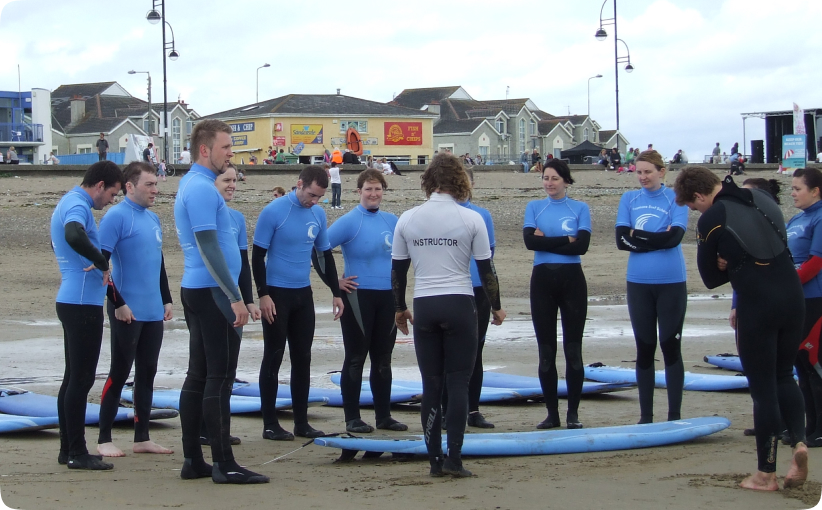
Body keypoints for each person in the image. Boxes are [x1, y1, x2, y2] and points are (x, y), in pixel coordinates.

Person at [673, 166, 808, 491]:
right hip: (793, 297)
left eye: (693, 207)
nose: (695, 212)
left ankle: (766, 474)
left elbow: (710, 278)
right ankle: (800, 445)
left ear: (700, 196)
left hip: (757, 305)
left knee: (763, 390)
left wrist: (727, 261)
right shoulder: (760, 196)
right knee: (784, 375)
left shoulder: (712, 218)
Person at [392, 152, 506, 478]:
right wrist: (496, 306)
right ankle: (454, 458)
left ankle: (434, 463)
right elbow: (488, 271)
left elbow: (397, 272)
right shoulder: (472, 219)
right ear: (460, 180)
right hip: (459, 304)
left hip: (425, 306)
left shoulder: (408, 218)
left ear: (428, 181)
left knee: (431, 385)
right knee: (458, 383)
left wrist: (400, 309)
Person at [174, 119, 268, 484]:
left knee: (200, 374)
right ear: (204, 149)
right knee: (219, 376)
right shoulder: (200, 189)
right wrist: (236, 297)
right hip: (211, 292)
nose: (231, 153)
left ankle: (194, 460)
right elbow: (208, 246)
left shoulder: (196, 185)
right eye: (226, 147)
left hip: (202, 289)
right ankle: (223, 463)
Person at [252, 165, 344, 440]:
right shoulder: (274, 211)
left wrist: (336, 291)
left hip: (303, 295)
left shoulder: (318, 213)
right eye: (311, 195)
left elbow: (324, 256)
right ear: (299, 184)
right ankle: (270, 424)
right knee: (274, 354)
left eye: (318, 197)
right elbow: (257, 257)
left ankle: (301, 422)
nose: (313, 201)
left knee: (303, 358)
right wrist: (263, 294)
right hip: (276, 294)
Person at [96, 161, 174, 458]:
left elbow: (158, 263)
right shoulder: (116, 217)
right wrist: (118, 303)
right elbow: (101, 266)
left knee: (148, 373)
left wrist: (166, 298)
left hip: (153, 309)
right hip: (126, 308)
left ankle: (142, 437)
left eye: (156, 184)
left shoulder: (153, 219)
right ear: (130, 186)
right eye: (149, 185)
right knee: (120, 370)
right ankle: (104, 438)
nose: (155, 189)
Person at [50, 160, 124, 470]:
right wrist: (102, 262)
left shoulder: (70, 201)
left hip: (75, 300)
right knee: (80, 381)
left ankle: (68, 448)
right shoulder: (77, 204)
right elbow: (73, 235)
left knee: (72, 380)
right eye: (112, 194)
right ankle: (78, 452)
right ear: (99, 186)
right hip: (81, 304)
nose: (111, 200)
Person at [327, 169, 408, 433]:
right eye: (368, 189)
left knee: (383, 358)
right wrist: (334, 283)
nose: (373, 194)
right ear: (358, 192)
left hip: (388, 297)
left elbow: (406, 256)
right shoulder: (351, 221)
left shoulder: (392, 221)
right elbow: (318, 248)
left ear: (383, 191)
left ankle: (383, 416)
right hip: (358, 297)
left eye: (378, 189)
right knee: (356, 357)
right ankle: (352, 417)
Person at [615, 150, 688, 424]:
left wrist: (638, 236)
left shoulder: (675, 198)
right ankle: (646, 417)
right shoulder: (629, 199)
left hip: (671, 283)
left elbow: (674, 239)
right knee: (644, 348)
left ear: (661, 172)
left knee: (671, 347)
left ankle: (674, 416)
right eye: (639, 172)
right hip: (638, 283)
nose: (643, 177)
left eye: (648, 172)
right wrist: (655, 237)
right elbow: (622, 240)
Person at [524, 159, 591, 429]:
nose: (549, 183)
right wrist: (567, 240)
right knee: (546, 352)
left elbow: (582, 247)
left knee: (573, 350)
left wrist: (547, 241)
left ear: (566, 180)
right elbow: (530, 242)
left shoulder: (580, 208)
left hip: (572, 282)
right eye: (545, 178)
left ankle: (572, 414)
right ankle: (552, 413)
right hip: (542, 283)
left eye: (554, 178)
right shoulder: (534, 207)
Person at [199, 163, 261, 446]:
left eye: (235, 180)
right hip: (211, 296)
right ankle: (206, 429)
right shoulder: (206, 214)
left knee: (229, 368)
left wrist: (249, 301)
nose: (232, 184)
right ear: (213, 183)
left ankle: (220, 428)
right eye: (226, 180)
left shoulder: (236, 218)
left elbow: (243, 266)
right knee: (211, 368)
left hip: (234, 300)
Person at [442, 165, 498, 429]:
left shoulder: (482, 215)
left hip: (478, 292)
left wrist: (495, 301)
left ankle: (473, 410)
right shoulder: (441, 214)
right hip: (450, 289)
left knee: (476, 352)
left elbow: (488, 260)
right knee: (447, 352)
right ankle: (446, 410)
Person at [786, 168, 822, 447]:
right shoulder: (798, 218)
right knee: (800, 364)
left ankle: (820, 428)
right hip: (796, 300)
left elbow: (816, 262)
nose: (793, 193)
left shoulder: (820, 217)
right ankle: (808, 427)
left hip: (815, 299)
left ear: (815, 191)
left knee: (814, 363)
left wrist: (787, 283)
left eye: (798, 188)